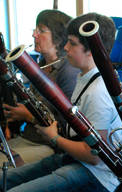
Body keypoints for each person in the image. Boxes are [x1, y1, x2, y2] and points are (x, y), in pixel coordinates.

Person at [0, 12, 122, 192]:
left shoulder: (98, 92)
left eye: (72, 43)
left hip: (96, 175)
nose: (65, 47)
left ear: (92, 50)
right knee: (6, 179)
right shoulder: (84, 77)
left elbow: (94, 156)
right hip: (75, 159)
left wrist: (54, 137)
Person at [0, 9, 79, 165]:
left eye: (41, 30)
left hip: (49, 146)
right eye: (35, 30)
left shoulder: (68, 71)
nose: (34, 35)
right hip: (28, 138)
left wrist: (28, 116)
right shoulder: (41, 65)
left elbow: (68, 127)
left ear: (58, 37)